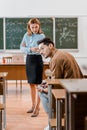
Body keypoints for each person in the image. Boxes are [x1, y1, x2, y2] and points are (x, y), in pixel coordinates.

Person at [37, 37, 83, 130]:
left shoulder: (56, 59)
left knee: (41, 93)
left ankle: (54, 122)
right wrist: (47, 82)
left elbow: (56, 84)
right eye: (39, 50)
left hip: (70, 92)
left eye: (42, 48)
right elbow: (57, 78)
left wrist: (44, 89)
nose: (40, 52)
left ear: (50, 46)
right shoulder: (62, 53)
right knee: (45, 87)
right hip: (77, 87)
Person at [20, 18, 45, 117]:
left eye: (36, 27)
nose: (34, 29)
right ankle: (33, 105)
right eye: (32, 27)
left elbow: (44, 48)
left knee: (38, 85)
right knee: (31, 84)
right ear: (29, 27)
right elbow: (21, 48)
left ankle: (37, 108)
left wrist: (39, 50)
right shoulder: (26, 35)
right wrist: (30, 49)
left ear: (39, 26)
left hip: (37, 60)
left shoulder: (42, 36)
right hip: (29, 60)